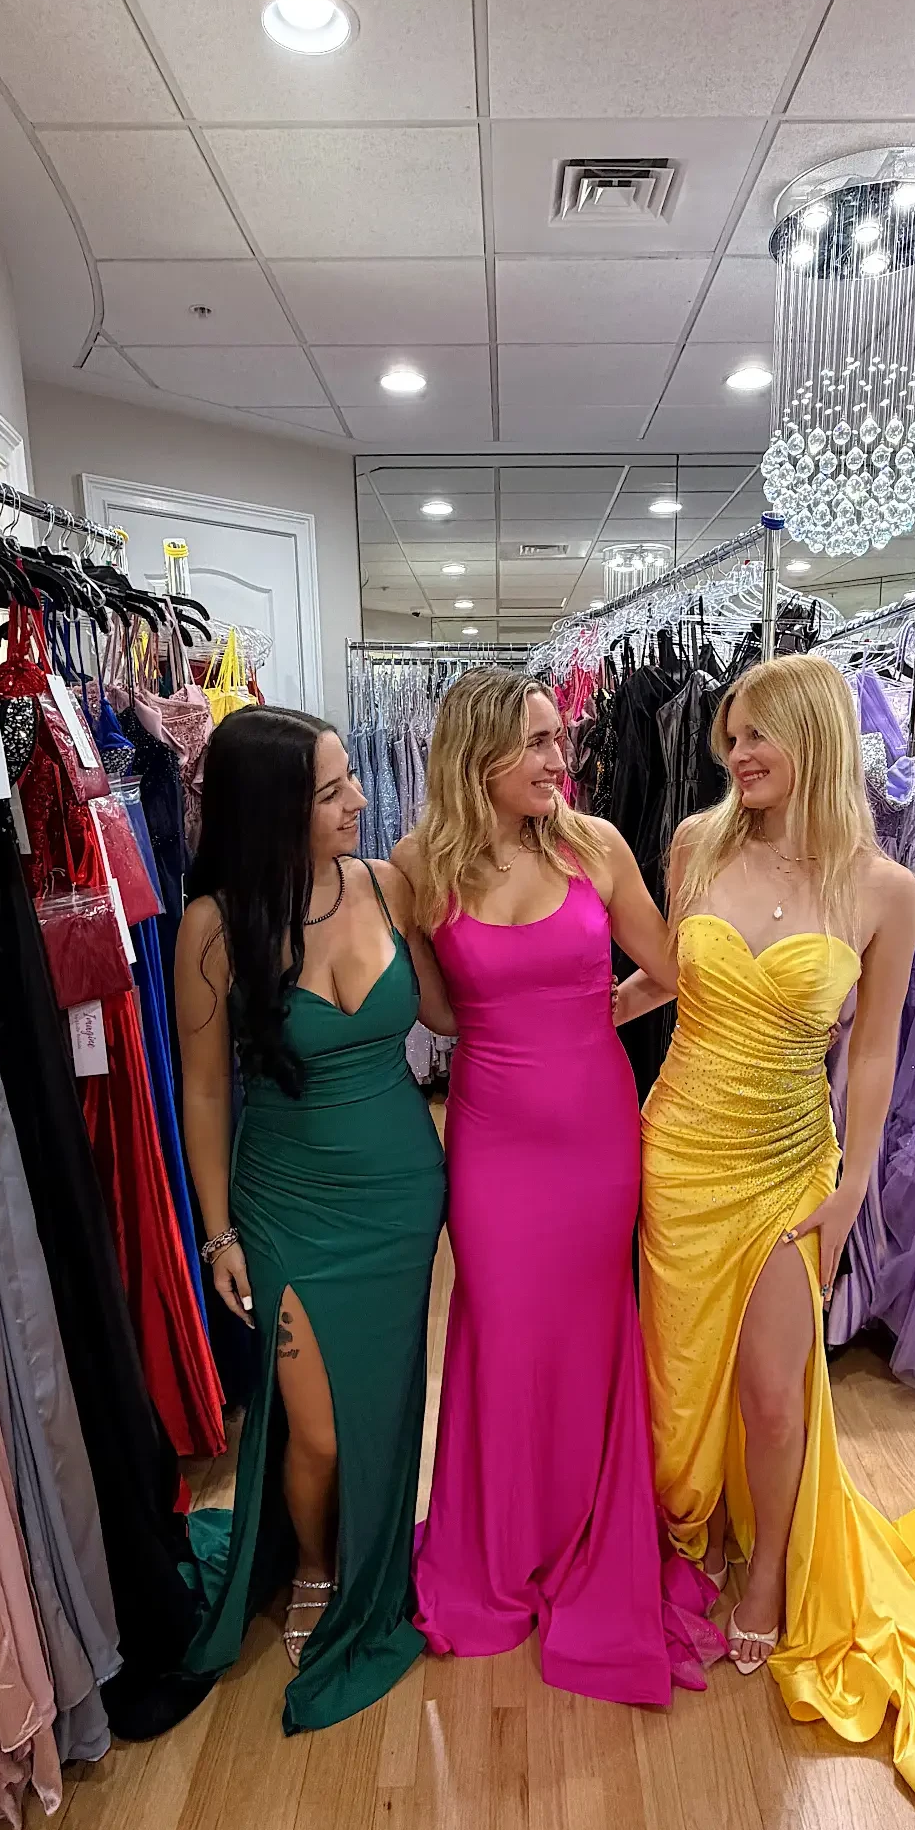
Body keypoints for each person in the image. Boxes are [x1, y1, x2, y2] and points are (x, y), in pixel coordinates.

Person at [615, 654, 915, 1801]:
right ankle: (700, 1523)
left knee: (775, 1389)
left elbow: (872, 1046)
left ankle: (769, 1565)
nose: (739, 753)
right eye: (730, 736)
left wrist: (858, 1172)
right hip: (677, 1147)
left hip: (787, 1164)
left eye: (759, 732)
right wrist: (594, 1003)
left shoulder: (885, 888)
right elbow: (678, 973)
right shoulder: (695, 845)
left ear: (816, 734)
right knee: (681, 1384)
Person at [395, 670, 713, 1705]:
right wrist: (530, 1028)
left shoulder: (596, 846)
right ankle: (499, 1542)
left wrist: (585, 1015)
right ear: (475, 753)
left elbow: (666, 969)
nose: (556, 759)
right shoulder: (417, 867)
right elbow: (440, 1014)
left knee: (589, 1330)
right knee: (499, 1329)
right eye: (534, 742)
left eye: (558, 739)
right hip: (491, 1139)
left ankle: (585, 1530)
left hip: (592, 1128)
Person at [176, 707, 449, 1733]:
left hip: (399, 1191)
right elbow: (205, 1094)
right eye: (334, 790)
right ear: (274, 811)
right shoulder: (214, 924)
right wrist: (218, 1234)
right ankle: (320, 1564)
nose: (360, 800)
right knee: (320, 1427)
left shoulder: (389, 883)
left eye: (349, 784)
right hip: (286, 1201)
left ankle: (363, 1558)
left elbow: (451, 1012)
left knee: (380, 1402)